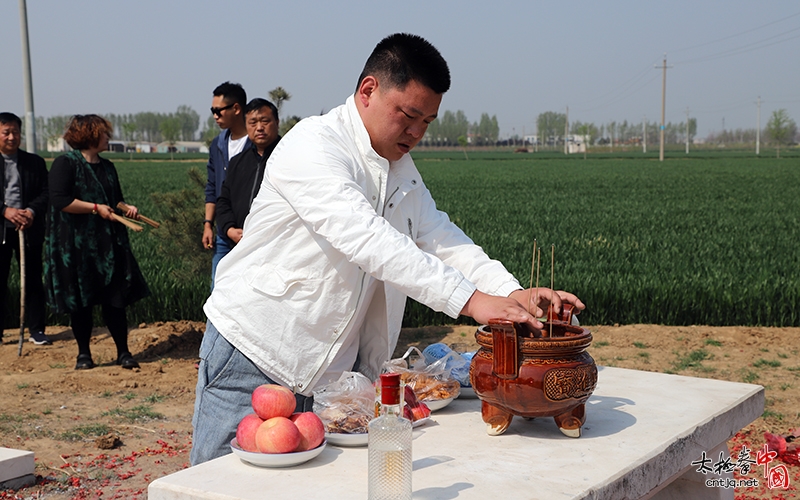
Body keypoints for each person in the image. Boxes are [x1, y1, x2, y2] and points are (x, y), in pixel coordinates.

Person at [191, 33, 585, 464]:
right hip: (256, 355)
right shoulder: (315, 145)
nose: (416, 132)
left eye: (427, 122)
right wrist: (471, 301)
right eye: (408, 115)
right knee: (216, 485)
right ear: (368, 91)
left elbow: (440, 238)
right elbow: (368, 238)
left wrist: (510, 293)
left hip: (333, 379)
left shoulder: (400, 171)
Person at [45, 114, 150, 370]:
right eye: (104, 133)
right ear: (90, 135)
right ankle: (84, 354)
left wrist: (127, 209)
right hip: (77, 245)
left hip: (108, 245)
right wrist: (94, 208)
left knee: (114, 299)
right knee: (82, 302)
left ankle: (123, 352)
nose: (108, 137)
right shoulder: (65, 163)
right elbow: (60, 200)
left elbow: (115, 201)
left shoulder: (108, 167)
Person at [0, 112, 50, 345]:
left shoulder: (35, 163)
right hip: (2, 228)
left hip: (28, 230)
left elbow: (46, 193)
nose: (11, 137)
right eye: (6, 133)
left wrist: (30, 211)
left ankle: (37, 330)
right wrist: (5, 210)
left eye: (15, 132)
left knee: (32, 280)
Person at [202, 82, 251, 284]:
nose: (215, 116)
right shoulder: (218, 144)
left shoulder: (257, 144)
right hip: (224, 233)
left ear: (236, 108)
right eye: (212, 111)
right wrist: (207, 224)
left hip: (251, 232)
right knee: (218, 291)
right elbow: (212, 187)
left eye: (218, 111)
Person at [215, 98, 281, 246]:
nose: (259, 128)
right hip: (239, 243)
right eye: (253, 123)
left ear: (277, 122)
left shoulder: (288, 159)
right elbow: (223, 201)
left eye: (265, 121)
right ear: (246, 125)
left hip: (275, 244)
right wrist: (230, 229)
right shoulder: (237, 162)